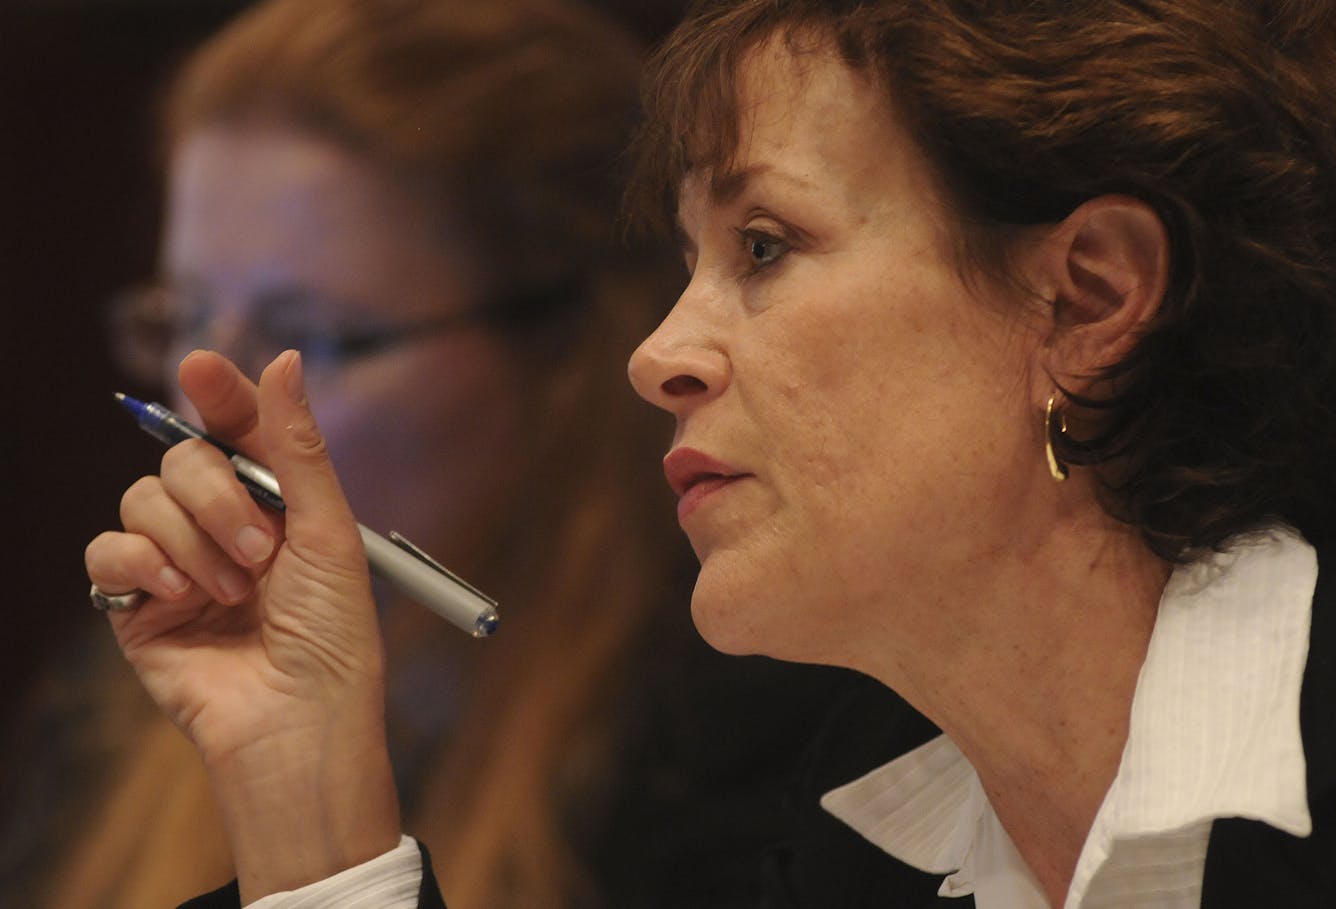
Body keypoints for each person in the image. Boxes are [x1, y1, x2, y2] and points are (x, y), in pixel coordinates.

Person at [82, 0, 1336, 906]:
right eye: (686, 263)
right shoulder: (845, 844)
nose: (658, 354)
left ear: (1085, 297)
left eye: (763, 248)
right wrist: (302, 766)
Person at [3, 0, 857, 906]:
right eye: (184, 318)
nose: (204, 406)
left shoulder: (744, 736)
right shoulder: (133, 685)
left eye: (313, 340)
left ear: (562, 363)